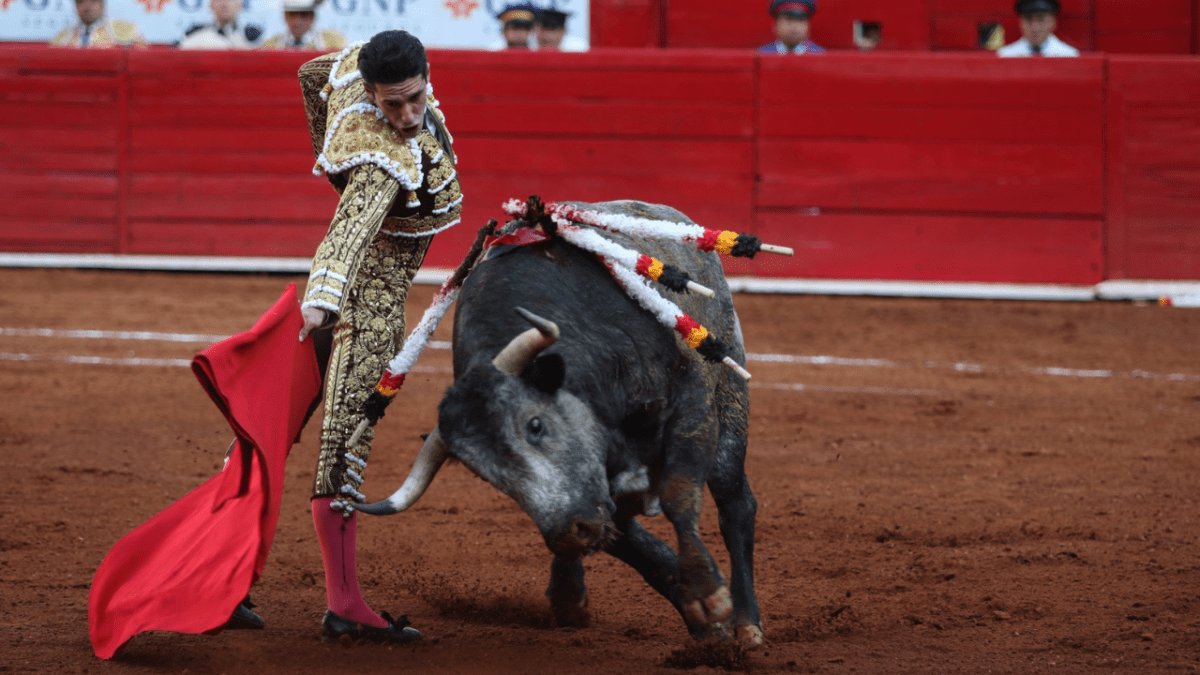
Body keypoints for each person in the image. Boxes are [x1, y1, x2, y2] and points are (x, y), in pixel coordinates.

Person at [293, 29, 462, 642]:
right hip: (364, 307)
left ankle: (219, 577)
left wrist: (325, 154)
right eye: (391, 105)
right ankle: (343, 604)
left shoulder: (352, 67)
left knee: (270, 434)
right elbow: (348, 230)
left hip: (341, 300)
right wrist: (322, 300)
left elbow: (313, 74)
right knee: (344, 446)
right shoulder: (379, 158)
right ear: (372, 93)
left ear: (424, 76)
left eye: (415, 100)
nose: (408, 117)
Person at [996, 0, 1079, 57]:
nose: (1035, 28)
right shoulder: (1005, 55)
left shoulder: (1069, 54)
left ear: (1053, 22)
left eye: (1041, 19)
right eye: (1028, 19)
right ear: (1020, 22)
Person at [50, 0, 145, 48]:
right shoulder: (63, 38)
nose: (86, 7)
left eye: (92, 1)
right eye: (81, 2)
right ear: (76, 7)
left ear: (102, 5)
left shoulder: (125, 29)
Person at [259, 0, 346, 50]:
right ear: (285, 16)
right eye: (292, 14)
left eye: (303, 14)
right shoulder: (270, 45)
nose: (297, 21)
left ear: (312, 16)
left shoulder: (334, 42)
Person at [179, 0, 263, 49]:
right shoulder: (195, 41)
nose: (225, 4)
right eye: (219, 0)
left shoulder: (256, 41)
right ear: (211, 5)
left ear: (240, 5)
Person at [758, 0, 824, 55]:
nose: (795, 26)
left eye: (800, 20)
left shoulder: (820, 55)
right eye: (789, 20)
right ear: (775, 25)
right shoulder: (761, 55)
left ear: (808, 25)